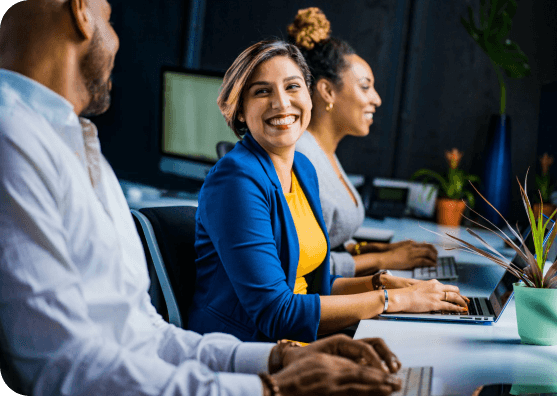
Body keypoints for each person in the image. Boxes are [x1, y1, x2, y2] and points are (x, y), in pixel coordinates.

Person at [0, 1, 404, 395]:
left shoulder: (79, 147)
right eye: (110, 17)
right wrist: (268, 386)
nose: (118, 39)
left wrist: (278, 364)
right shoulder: (13, 141)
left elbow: (146, 335)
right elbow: (63, 367)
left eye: (292, 86)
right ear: (81, 11)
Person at [189, 38, 469, 344]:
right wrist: (392, 300)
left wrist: (382, 285)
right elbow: (276, 313)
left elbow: (314, 286)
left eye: (292, 87)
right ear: (240, 110)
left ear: (310, 97)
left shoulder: (303, 169)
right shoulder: (235, 181)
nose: (282, 103)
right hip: (247, 351)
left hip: (300, 342)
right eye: (262, 91)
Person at [290, 7, 441, 278]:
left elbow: (328, 241)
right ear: (327, 91)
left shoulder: (324, 153)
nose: (376, 99)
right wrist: (384, 260)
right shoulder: (301, 159)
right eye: (365, 86)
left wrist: (376, 250)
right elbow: (306, 267)